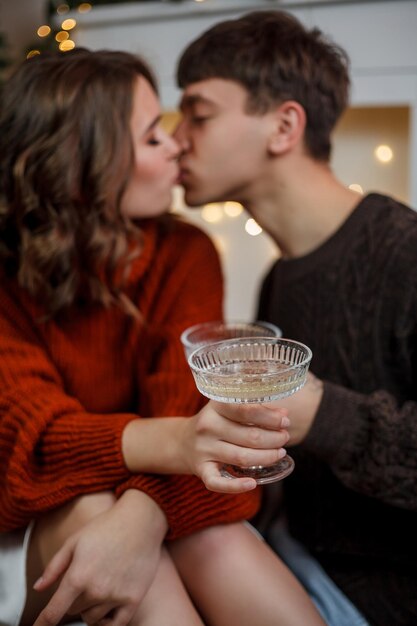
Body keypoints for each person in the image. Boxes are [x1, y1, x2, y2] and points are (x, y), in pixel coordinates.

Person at [0, 48, 326, 626]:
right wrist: (175, 450)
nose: (177, 144)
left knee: (216, 540)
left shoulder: (185, 250)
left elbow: (188, 406)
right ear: (83, 160)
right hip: (29, 514)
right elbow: (38, 442)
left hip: (151, 491)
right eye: (153, 137)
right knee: (85, 508)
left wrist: (143, 516)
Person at [174, 9, 417, 626]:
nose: (177, 138)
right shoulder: (279, 280)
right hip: (286, 557)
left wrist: (323, 415)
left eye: (198, 116)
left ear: (284, 126)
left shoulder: (405, 255)